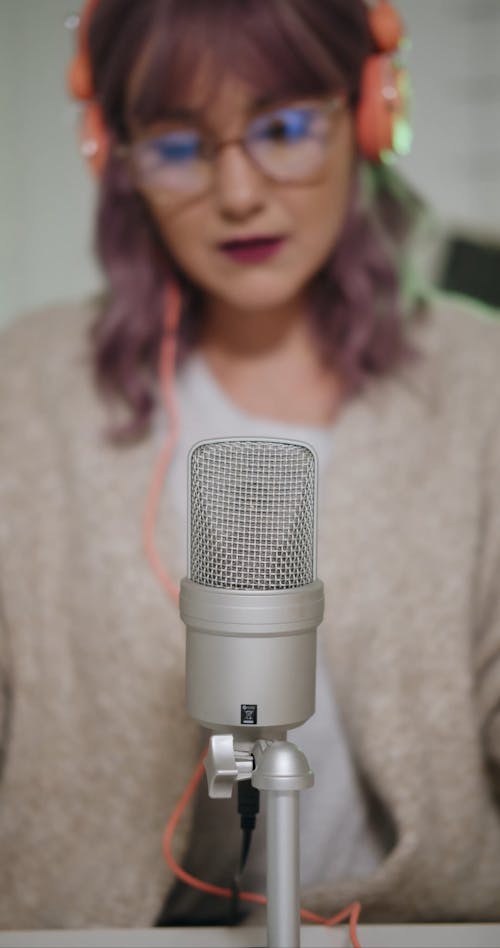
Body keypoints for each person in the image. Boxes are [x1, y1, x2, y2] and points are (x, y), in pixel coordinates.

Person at [1, 0, 500, 932]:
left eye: (283, 128)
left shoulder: (481, 386)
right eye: (179, 145)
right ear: (115, 157)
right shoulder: (24, 390)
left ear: (369, 115)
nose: (238, 193)